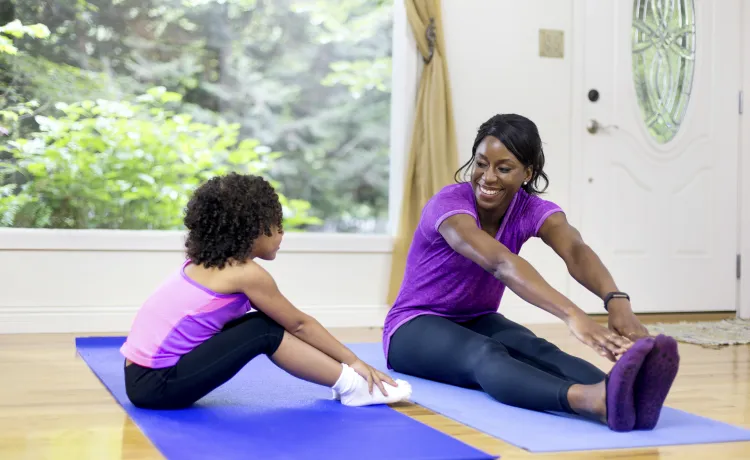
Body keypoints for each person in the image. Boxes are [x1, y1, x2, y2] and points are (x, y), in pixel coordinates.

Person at [383, 114, 679, 432]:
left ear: (528, 173)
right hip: (411, 327)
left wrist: (617, 302)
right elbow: (500, 263)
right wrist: (572, 314)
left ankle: (625, 391)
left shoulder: (530, 209)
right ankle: (592, 401)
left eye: (504, 168)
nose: (488, 177)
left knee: (536, 349)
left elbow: (575, 249)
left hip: (475, 317)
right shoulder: (450, 205)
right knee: (485, 353)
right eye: (481, 163)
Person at [121, 173, 412, 409]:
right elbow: (299, 324)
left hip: (139, 377)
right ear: (253, 229)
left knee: (259, 323)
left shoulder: (202, 263)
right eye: (278, 225)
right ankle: (353, 386)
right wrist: (355, 361)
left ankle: (345, 381)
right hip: (156, 386)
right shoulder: (246, 274)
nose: (282, 234)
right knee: (263, 330)